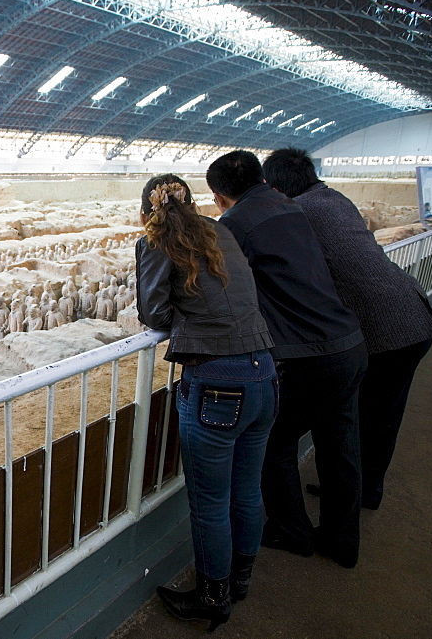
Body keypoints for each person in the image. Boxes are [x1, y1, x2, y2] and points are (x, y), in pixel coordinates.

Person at [206, 150, 368, 568]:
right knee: (341, 444)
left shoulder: (236, 224)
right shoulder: (291, 207)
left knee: (272, 441)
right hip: (348, 342)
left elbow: (221, 290)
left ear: (220, 195)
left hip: (310, 355)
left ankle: (292, 531)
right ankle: (343, 541)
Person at [263, 147, 432, 509]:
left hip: (384, 330)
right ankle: (365, 491)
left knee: (349, 421)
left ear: (277, 187)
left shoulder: (296, 212)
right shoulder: (333, 198)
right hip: (412, 316)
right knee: (383, 416)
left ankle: (350, 499)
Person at [136, 174, 276, 632]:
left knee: (211, 502)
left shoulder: (157, 242)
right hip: (264, 374)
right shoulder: (221, 230)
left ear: (148, 214)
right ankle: (241, 580)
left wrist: (187, 316)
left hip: (219, 385)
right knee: (248, 487)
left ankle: (214, 599)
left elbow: (153, 314)